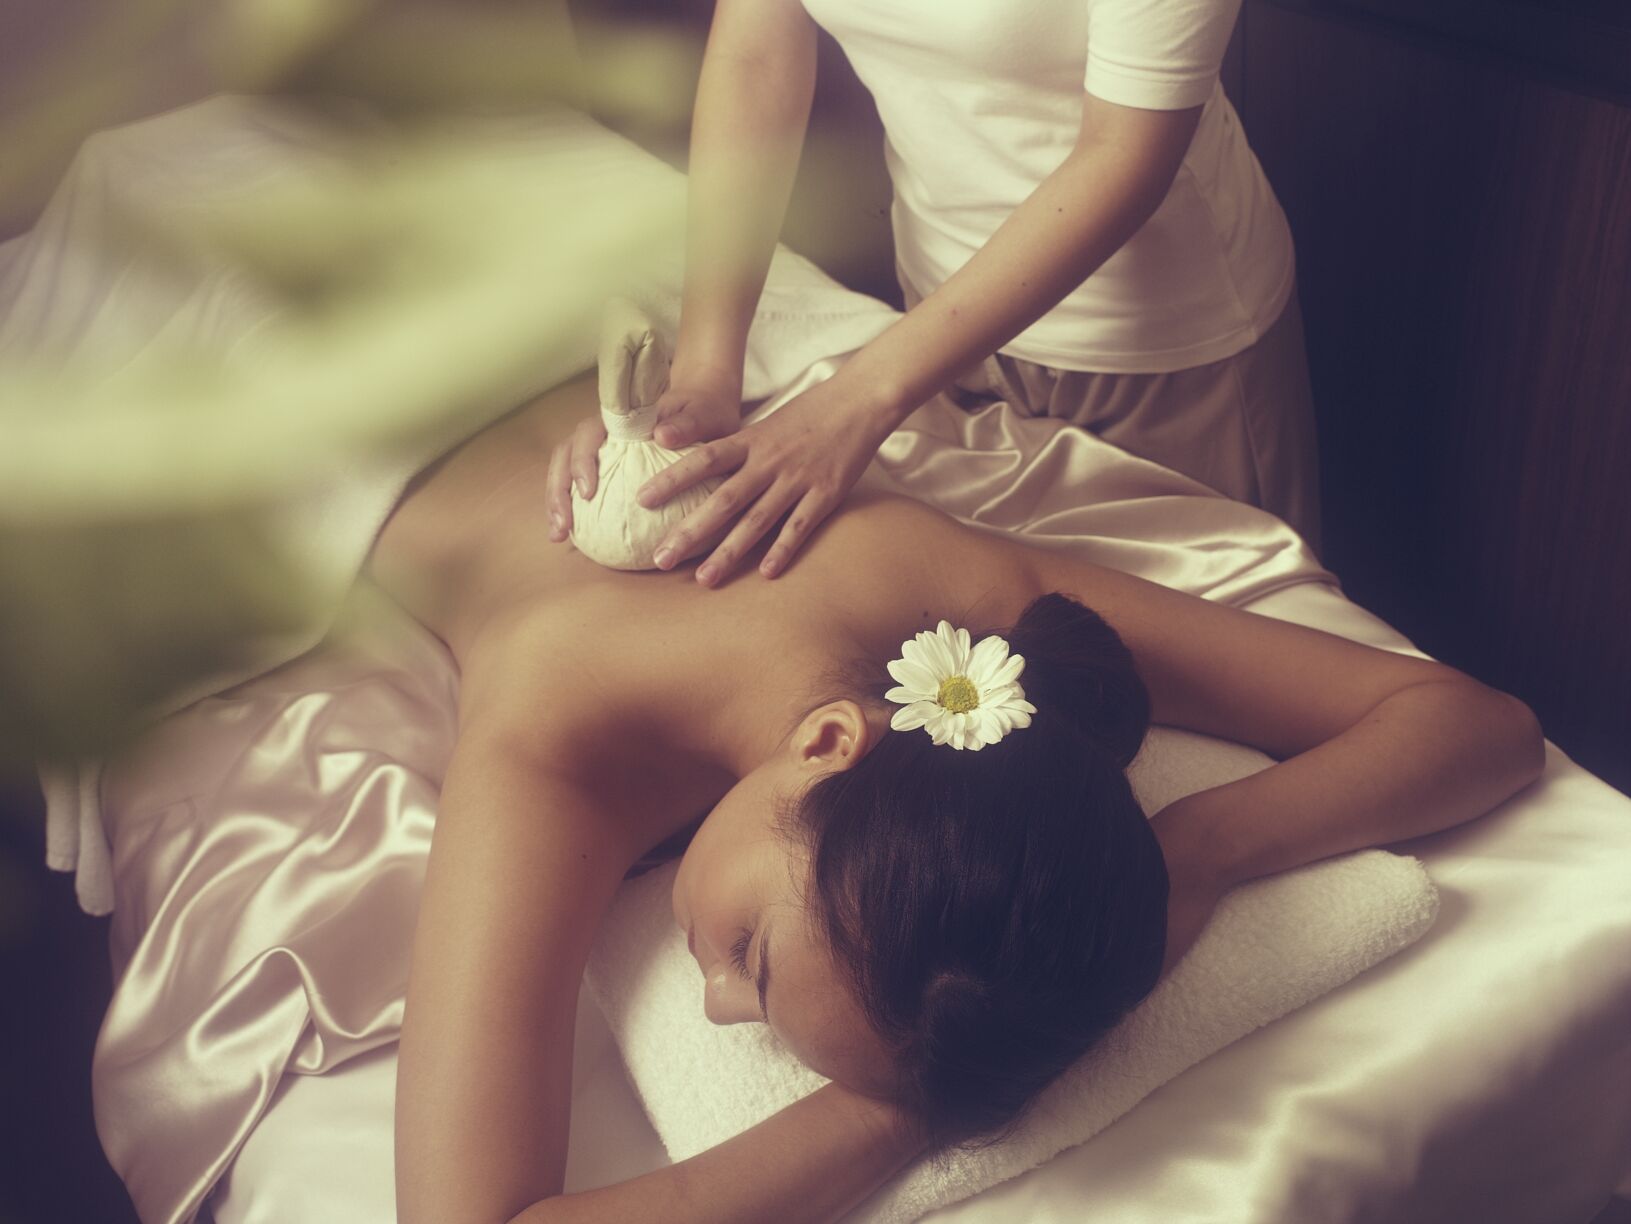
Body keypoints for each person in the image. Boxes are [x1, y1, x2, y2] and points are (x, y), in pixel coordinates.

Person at [376, 373, 1540, 1224]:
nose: (719, 1005)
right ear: (829, 744)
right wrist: (913, 1110)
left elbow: (1472, 728)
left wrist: (1202, 846)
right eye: (748, 955)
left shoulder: (947, 631)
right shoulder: (561, 740)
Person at [546, 0, 1321, 590]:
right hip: (935, 322)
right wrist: (707, 368)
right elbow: (755, 53)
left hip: (1159, 354)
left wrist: (854, 402)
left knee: (1219, 662)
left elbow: (1123, 155)